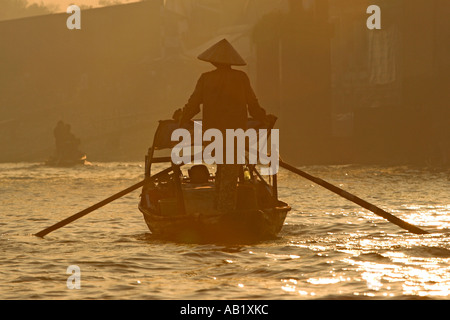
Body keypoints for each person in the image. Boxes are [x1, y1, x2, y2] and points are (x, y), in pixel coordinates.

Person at [173, 39, 277, 213]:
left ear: (213, 61)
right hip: (235, 133)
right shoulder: (240, 78)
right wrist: (263, 118)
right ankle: (225, 211)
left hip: (213, 134)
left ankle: (221, 210)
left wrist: (182, 119)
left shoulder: (206, 78)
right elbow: (253, 106)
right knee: (228, 170)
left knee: (224, 169)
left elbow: (192, 105)